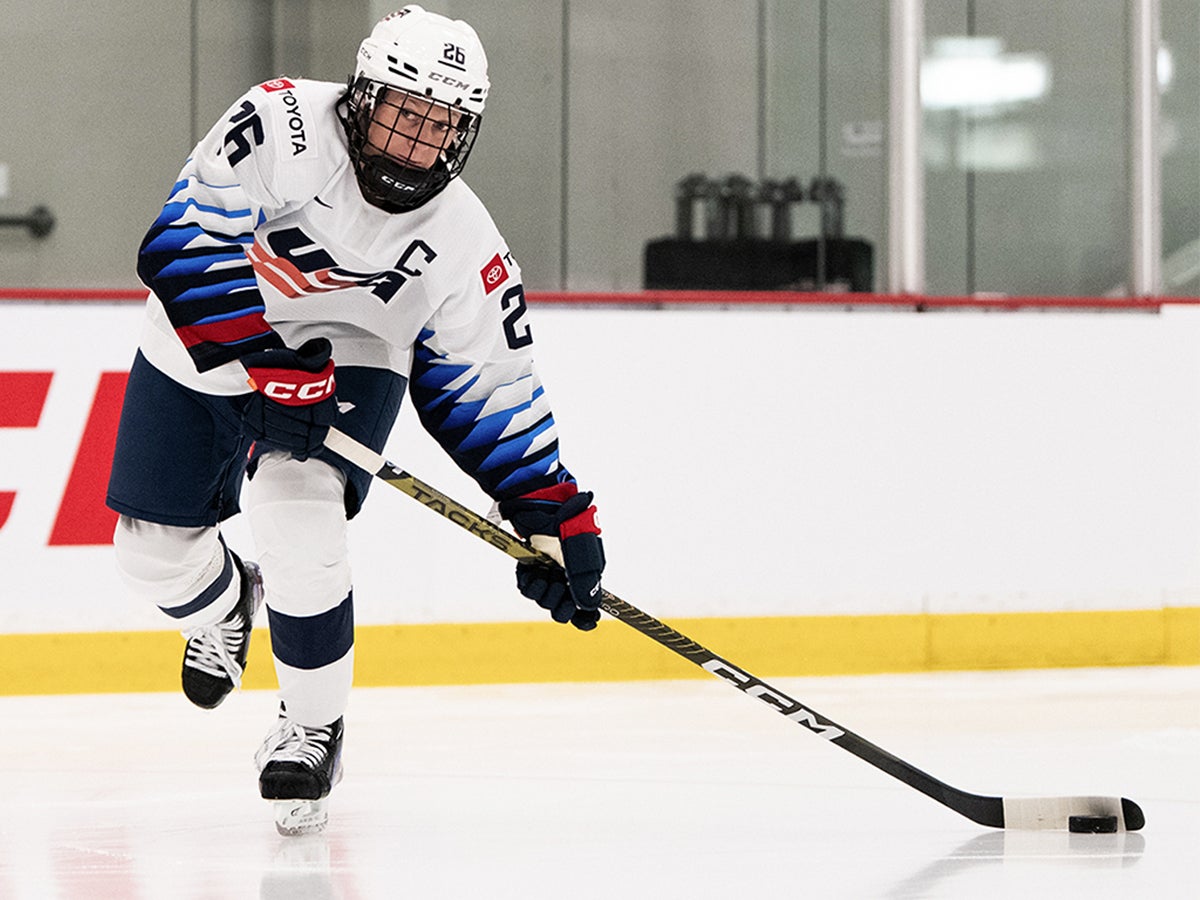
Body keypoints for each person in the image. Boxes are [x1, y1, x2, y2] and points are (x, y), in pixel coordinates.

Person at [106, 5, 605, 835]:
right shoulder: (282, 122)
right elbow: (181, 242)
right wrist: (266, 363)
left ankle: (310, 725)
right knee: (149, 557)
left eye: (441, 125)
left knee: (296, 509)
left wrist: (553, 510)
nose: (417, 142)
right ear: (362, 93)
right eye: (404, 112)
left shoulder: (465, 243)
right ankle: (228, 606)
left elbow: (496, 384)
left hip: (353, 351)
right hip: (216, 329)